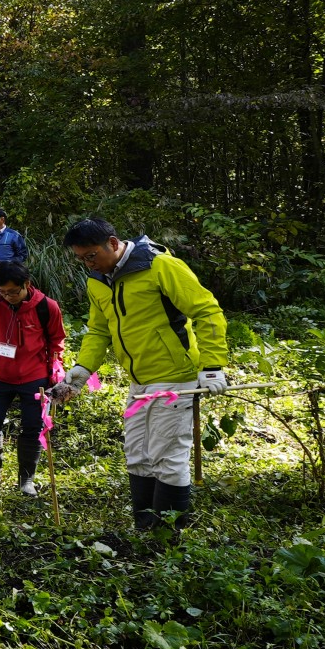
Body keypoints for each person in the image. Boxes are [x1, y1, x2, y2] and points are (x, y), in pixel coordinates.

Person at [55, 217, 227, 531]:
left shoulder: (160, 266)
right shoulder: (99, 280)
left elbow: (207, 309)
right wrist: (80, 372)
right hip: (138, 382)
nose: (88, 264)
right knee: (137, 453)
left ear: (112, 242)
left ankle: (168, 538)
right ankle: (145, 530)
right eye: (81, 259)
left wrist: (213, 367)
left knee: (168, 455)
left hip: (176, 378)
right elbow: (98, 330)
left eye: (91, 256)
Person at [0, 262, 66, 496]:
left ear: (26, 284)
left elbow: (57, 341)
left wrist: (56, 372)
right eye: (2, 292)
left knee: (33, 426)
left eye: (13, 292)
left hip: (34, 377)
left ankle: (26, 479)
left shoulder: (47, 307)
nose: (8, 297)